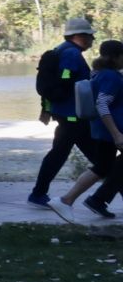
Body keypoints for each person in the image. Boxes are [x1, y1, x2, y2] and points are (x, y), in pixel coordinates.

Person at [28, 17, 101, 209]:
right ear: (78, 36)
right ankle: (38, 193)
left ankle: (38, 193)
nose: (92, 40)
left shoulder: (61, 50)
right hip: (72, 116)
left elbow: (56, 83)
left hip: (67, 114)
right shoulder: (71, 54)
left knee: (63, 154)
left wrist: (47, 107)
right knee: (100, 159)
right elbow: (65, 79)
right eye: (89, 36)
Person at [80, 40, 123, 217]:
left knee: (110, 167)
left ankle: (98, 199)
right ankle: (88, 199)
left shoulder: (98, 73)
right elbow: (102, 103)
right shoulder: (110, 76)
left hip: (102, 129)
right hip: (110, 131)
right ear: (116, 57)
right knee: (105, 167)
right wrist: (116, 134)